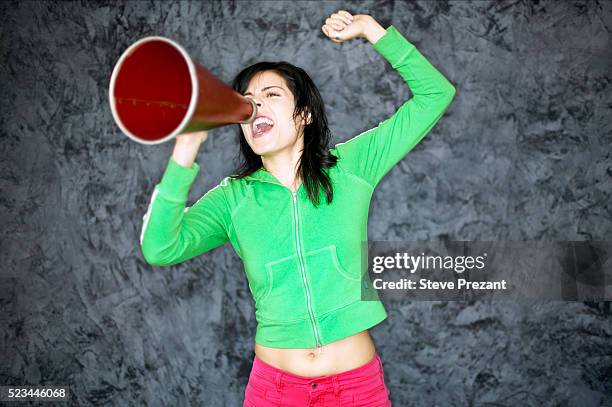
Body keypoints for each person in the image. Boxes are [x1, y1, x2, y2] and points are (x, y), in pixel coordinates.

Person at [140, 9, 456, 407]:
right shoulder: (232, 198)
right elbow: (160, 248)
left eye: (271, 96)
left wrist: (371, 30)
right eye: (248, 103)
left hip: (357, 389)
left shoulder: (352, 167)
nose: (255, 108)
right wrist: (184, 153)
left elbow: (436, 94)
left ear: (304, 114)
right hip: (274, 392)